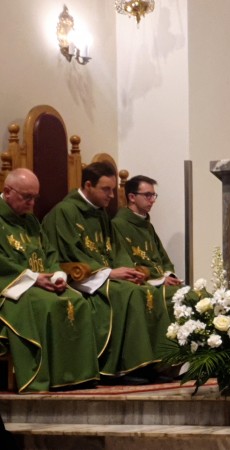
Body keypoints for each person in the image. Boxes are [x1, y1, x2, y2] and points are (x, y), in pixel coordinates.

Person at [42, 162, 173, 385]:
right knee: (131, 294)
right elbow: (69, 253)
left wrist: (130, 271)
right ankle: (122, 367)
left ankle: (153, 364)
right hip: (83, 277)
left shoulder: (100, 213)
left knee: (145, 290)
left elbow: (116, 250)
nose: (112, 196)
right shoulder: (64, 212)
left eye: (113, 189)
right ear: (88, 185)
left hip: (106, 275)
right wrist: (109, 273)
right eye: (106, 189)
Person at [0, 168, 99, 392]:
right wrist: (33, 279)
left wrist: (57, 276)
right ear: (7, 191)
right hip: (12, 289)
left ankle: (77, 375)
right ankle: (45, 376)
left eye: (35, 197)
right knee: (48, 304)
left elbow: (50, 254)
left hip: (39, 283)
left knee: (78, 301)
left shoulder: (31, 221)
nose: (32, 204)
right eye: (27, 197)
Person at [111, 175, 182, 290]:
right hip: (144, 286)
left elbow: (164, 259)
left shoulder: (147, 226)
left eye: (153, 195)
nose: (153, 200)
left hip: (161, 282)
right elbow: (125, 264)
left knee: (199, 295)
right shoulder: (118, 225)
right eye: (148, 195)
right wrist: (160, 281)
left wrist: (169, 276)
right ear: (132, 197)